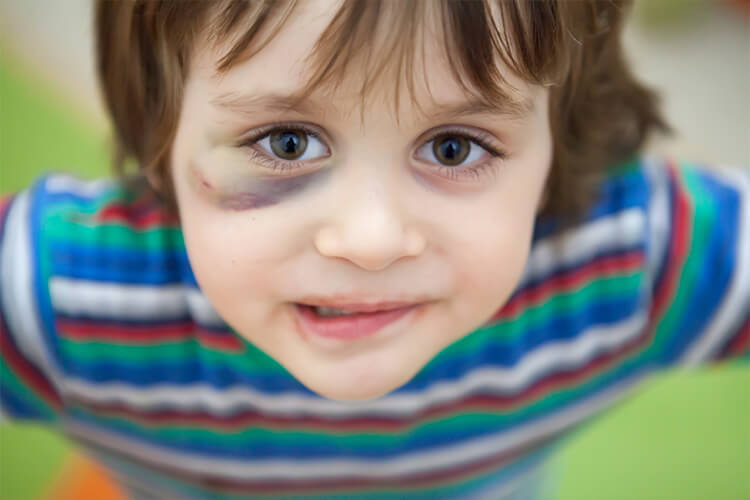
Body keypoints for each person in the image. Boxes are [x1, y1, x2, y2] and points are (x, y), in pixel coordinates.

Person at [1, 0, 747, 498]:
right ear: (159, 137)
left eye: (454, 148)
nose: (370, 240)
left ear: (561, 141)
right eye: (285, 142)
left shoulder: (633, 264)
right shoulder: (64, 293)